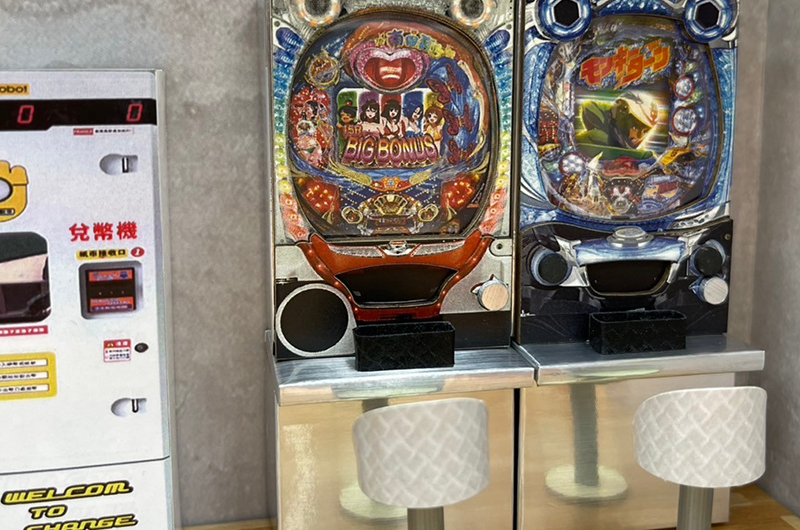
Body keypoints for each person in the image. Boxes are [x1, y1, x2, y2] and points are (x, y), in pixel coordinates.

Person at [576, 91, 659, 160]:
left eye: (646, 131)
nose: (639, 136)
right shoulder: (589, 141)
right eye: (635, 127)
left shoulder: (642, 155)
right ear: (620, 112)